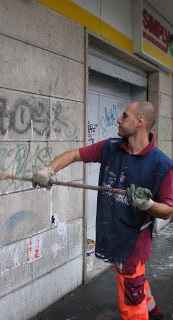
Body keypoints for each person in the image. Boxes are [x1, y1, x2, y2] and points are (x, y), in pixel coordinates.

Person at [32, 101, 173, 320]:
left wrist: (147, 205)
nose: (119, 119)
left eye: (124, 116)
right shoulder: (111, 147)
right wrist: (49, 169)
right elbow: (74, 155)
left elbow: (167, 211)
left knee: (130, 301)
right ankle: (154, 312)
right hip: (113, 235)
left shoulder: (162, 164)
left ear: (140, 122)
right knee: (135, 281)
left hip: (132, 244)